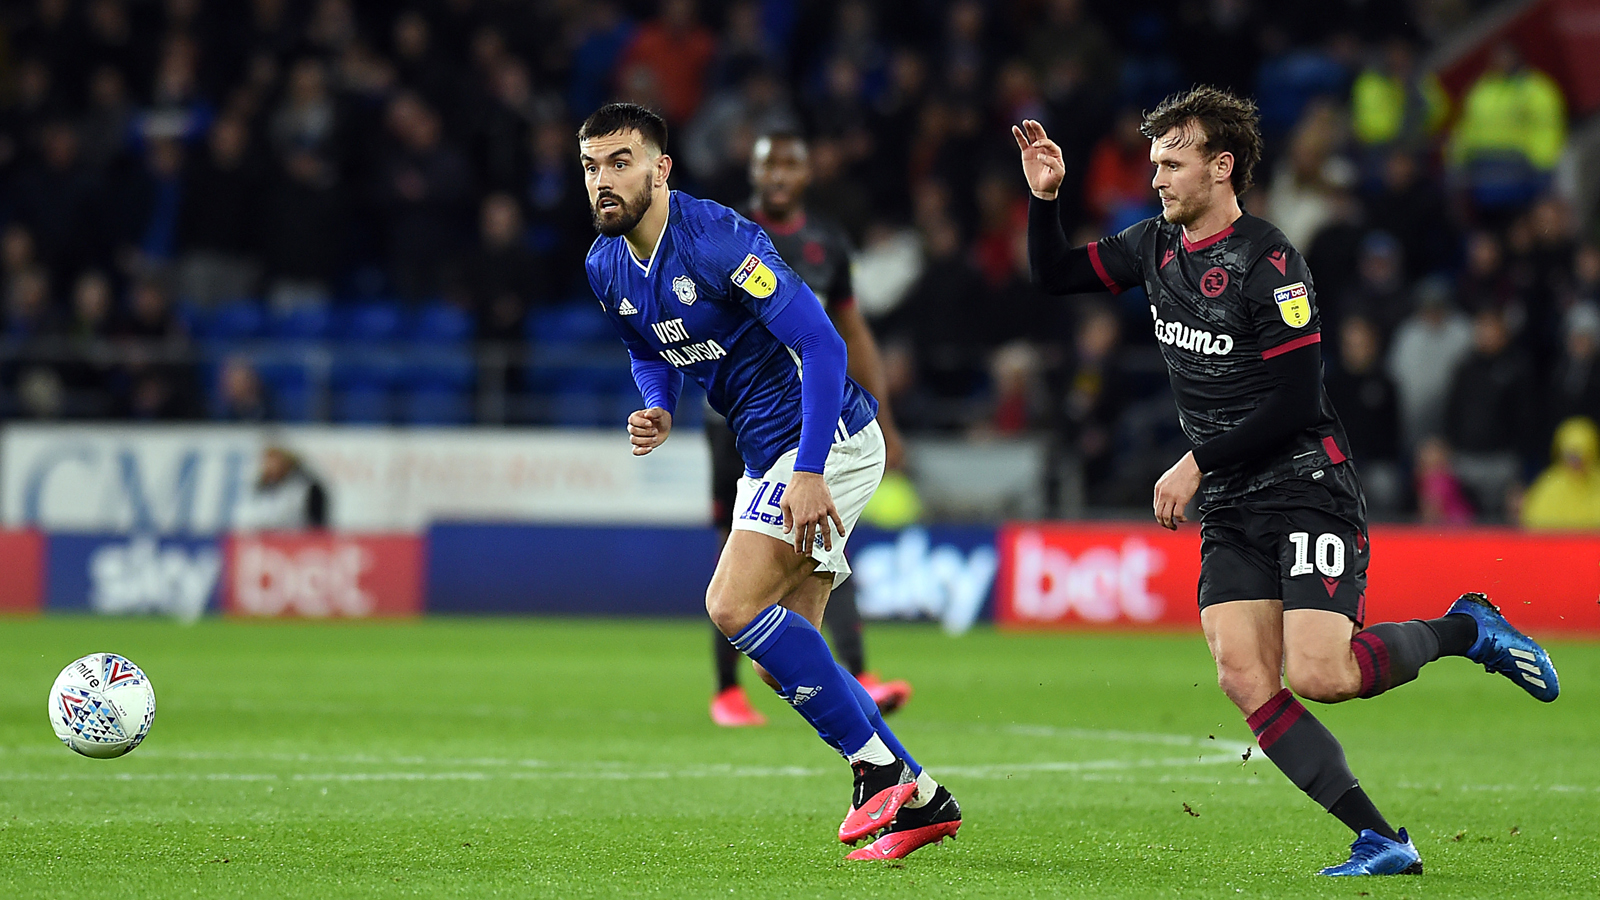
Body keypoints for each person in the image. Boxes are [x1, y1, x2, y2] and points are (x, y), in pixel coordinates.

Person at [1016, 86, 1560, 877]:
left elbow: (1297, 399)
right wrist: (1046, 198)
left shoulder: (1270, 263)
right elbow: (1055, 274)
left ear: (1221, 166)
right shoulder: (1153, 248)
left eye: (1173, 163)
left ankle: (1466, 628)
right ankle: (1382, 839)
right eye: (1154, 164)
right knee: (1243, 676)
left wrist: (1195, 459)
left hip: (1305, 484)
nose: (1156, 179)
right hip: (1234, 505)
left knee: (1322, 675)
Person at [579, 103, 959, 861]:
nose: (602, 181)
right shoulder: (605, 263)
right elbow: (647, 343)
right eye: (590, 166)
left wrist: (813, 469)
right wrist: (657, 406)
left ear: (662, 169)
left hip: (830, 439)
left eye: (620, 161)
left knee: (729, 602)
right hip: (766, 452)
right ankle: (921, 802)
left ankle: (876, 767)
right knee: (786, 645)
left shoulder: (719, 238)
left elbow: (822, 343)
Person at [705, 130, 913, 729]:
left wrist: (883, 418)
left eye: (790, 163)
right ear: (754, 170)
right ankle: (727, 690)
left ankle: (856, 686)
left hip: (821, 420)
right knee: (737, 560)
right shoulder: (726, 234)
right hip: (739, 426)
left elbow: (851, 334)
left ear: (805, 174)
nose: (778, 174)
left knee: (821, 543)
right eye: (769, 163)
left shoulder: (826, 243)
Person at [235, 445, 329, 531]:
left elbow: (314, 523)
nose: (269, 466)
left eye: (274, 462)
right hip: (263, 540)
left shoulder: (305, 488)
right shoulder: (259, 488)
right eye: (267, 462)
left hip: (295, 540)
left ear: (286, 463)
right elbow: (247, 517)